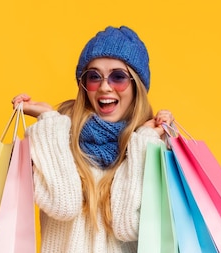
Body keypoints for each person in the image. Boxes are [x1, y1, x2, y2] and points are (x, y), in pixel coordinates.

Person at [11, 25, 173, 252]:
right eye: (94, 77)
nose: (105, 87)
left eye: (118, 77)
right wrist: (48, 120)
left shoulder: (148, 146)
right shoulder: (55, 140)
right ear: (84, 86)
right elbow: (63, 205)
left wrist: (145, 145)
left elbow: (129, 227)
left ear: (137, 86)